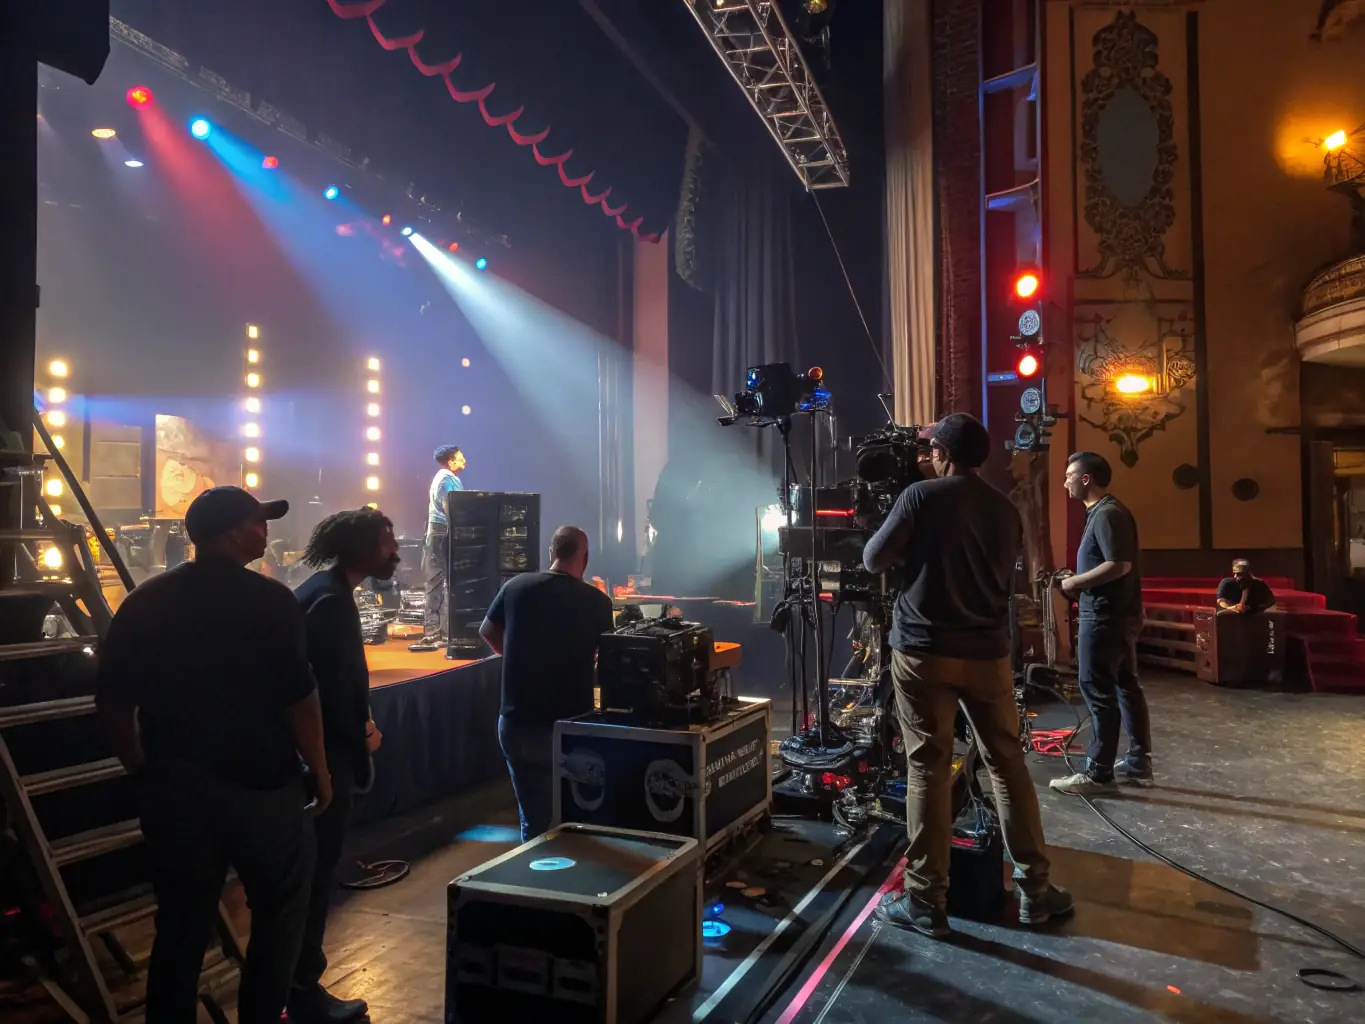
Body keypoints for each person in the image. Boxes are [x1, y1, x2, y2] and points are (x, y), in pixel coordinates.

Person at [96, 486, 328, 1024]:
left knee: (179, 926)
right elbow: (300, 698)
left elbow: (111, 698)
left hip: (177, 790)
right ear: (229, 533)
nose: (265, 532)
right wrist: (319, 770)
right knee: (279, 915)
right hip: (261, 790)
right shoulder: (271, 601)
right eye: (256, 522)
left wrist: (137, 763)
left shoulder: (144, 602)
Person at [861, 413, 1070, 937]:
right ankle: (1036, 891)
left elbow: (872, 560)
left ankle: (925, 903)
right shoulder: (1005, 510)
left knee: (928, 768)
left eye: (932, 448)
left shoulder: (920, 497)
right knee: (1007, 765)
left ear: (943, 454)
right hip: (987, 653)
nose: (927, 454)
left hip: (924, 651)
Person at [290, 509, 398, 1022]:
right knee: (312, 878)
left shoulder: (323, 592)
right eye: (386, 541)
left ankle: (296, 987)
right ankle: (303, 993)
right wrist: (357, 735)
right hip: (323, 759)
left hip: (321, 753)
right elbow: (323, 691)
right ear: (360, 548)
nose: (394, 550)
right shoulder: (330, 603)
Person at [479, 526, 616, 841]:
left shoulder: (515, 586)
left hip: (516, 722)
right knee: (577, 815)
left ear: (551, 553)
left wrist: (513, 654)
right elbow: (607, 661)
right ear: (584, 558)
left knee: (534, 821)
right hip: (568, 726)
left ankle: (537, 876)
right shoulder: (597, 601)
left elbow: (487, 631)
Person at [1051, 451, 1153, 794]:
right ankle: (1138, 762)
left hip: (1106, 618)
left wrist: (1073, 583)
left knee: (1097, 690)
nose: (1064, 481)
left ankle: (1098, 773)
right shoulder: (1103, 512)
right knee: (1125, 686)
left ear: (1085, 479)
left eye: (1068, 475)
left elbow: (1117, 565)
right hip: (1116, 615)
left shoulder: (1108, 514)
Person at [410, 444, 465, 652]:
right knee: (441, 584)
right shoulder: (447, 479)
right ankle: (436, 632)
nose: (464, 461)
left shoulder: (442, 478)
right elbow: (452, 508)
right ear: (450, 461)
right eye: (460, 458)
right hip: (442, 534)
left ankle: (438, 632)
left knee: (438, 583)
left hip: (436, 534)